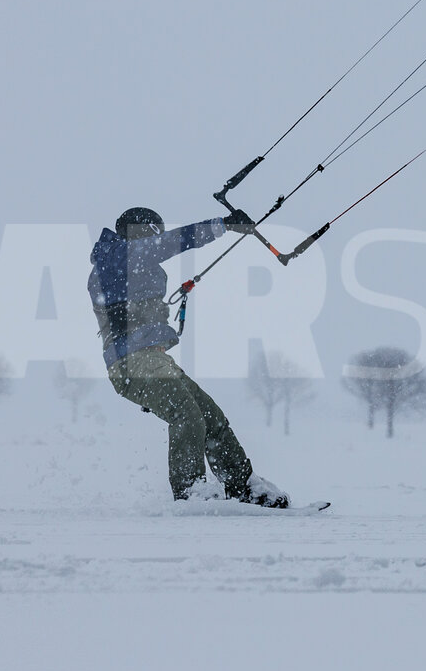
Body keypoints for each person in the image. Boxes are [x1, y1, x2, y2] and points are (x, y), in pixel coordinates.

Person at [87, 206, 288, 507]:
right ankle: (190, 492)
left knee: (212, 419)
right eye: (152, 233)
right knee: (188, 416)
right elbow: (172, 242)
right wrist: (222, 225)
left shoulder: (125, 261)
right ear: (136, 232)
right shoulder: (118, 256)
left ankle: (244, 486)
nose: (156, 238)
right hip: (133, 362)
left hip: (154, 360)